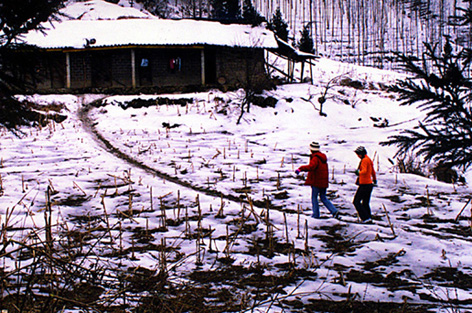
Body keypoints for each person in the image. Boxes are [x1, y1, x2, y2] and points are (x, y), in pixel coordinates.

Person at [295, 141, 339, 219]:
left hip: (316, 181)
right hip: (323, 182)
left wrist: (301, 168)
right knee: (323, 197)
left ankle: (316, 214)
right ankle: (334, 211)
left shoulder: (315, 158)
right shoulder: (322, 158)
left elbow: (311, 167)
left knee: (314, 197)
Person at [353, 146, 377, 223]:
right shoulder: (369, 160)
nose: (357, 156)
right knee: (365, 202)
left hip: (364, 184)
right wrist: (374, 179)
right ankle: (368, 217)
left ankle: (365, 218)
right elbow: (372, 171)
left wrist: (358, 172)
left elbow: (364, 171)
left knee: (356, 202)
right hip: (369, 184)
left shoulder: (364, 160)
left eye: (358, 154)